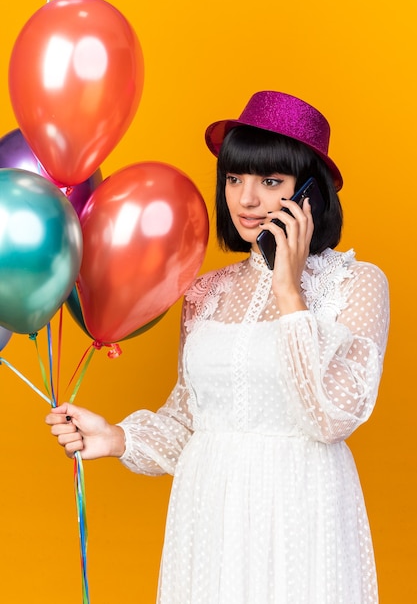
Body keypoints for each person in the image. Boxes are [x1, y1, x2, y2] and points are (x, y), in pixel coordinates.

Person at [46, 91, 390, 604]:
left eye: (270, 182)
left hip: (300, 508)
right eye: (234, 179)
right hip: (208, 511)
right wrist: (117, 437)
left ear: (311, 194)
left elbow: (328, 419)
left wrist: (289, 292)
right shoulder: (206, 290)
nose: (246, 200)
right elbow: (190, 423)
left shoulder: (356, 284)